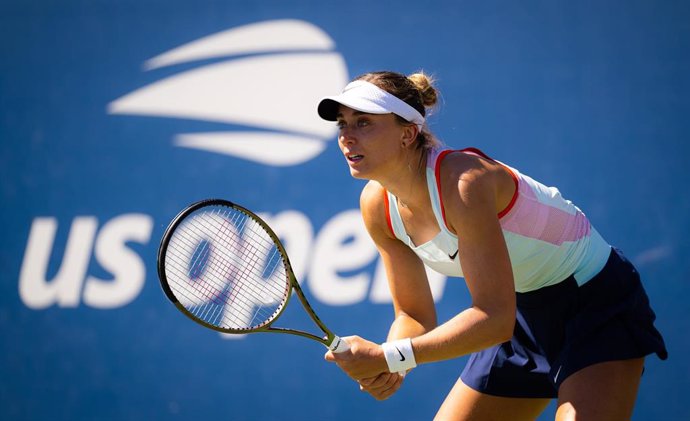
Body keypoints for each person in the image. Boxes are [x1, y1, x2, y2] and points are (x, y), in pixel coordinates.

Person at [317, 71, 667, 421]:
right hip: (520, 314)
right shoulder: (376, 206)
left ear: (408, 134)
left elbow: (494, 318)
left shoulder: (464, 183)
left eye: (363, 123)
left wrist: (394, 357)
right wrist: (391, 361)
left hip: (593, 305)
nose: (347, 137)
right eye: (342, 125)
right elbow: (414, 314)